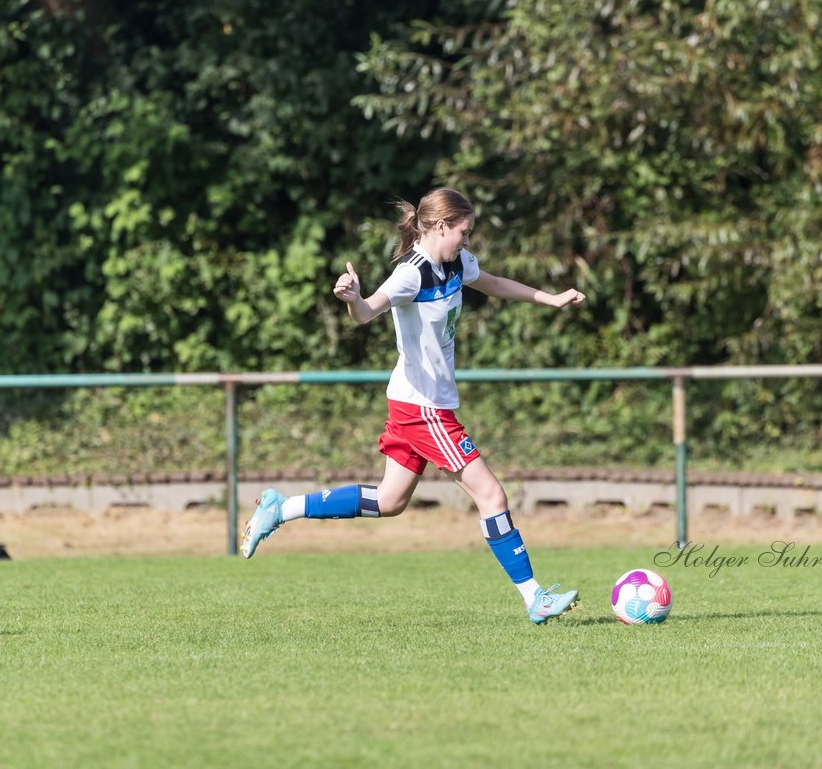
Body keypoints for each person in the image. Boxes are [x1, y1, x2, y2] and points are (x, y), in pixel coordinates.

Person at [241, 187, 587, 624]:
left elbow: (493, 283)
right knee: (491, 493)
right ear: (441, 227)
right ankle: (534, 596)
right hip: (424, 408)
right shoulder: (412, 274)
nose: (467, 240)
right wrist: (352, 299)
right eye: (464, 232)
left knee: (389, 501)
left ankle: (281, 508)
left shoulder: (457, 263)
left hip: (412, 401)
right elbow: (367, 313)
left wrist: (548, 298)